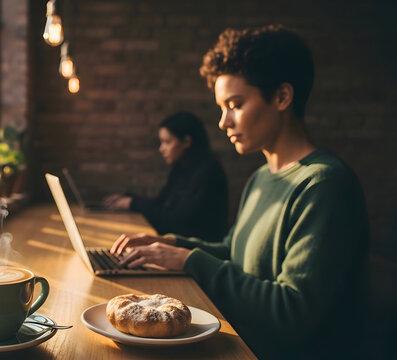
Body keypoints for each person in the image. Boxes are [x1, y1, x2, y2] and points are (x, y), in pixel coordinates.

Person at [111, 25, 369, 359]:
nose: (223, 122)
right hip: (240, 337)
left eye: (235, 104)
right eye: (222, 107)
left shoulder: (324, 184)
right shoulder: (261, 177)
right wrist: (171, 245)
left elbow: (292, 312)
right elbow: (233, 252)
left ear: (281, 97)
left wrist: (190, 261)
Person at [103, 112, 228, 241]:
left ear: (186, 141)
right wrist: (129, 198)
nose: (161, 149)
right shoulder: (181, 167)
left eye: (167, 142)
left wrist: (132, 203)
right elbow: (161, 204)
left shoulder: (208, 172)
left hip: (197, 249)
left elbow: (175, 221)